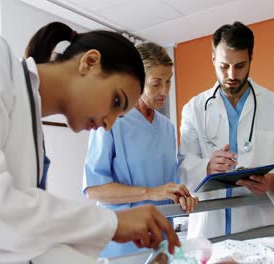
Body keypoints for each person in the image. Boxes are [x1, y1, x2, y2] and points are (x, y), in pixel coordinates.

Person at [0, 22, 180, 264]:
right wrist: (110, 223)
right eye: (116, 101)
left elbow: (27, 237)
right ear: (89, 62)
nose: (109, 124)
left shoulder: (32, 133)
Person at [178, 21, 274, 239]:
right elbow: (183, 165)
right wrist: (207, 166)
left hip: (259, 225)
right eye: (223, 66)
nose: (231, 74)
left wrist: (271, 182)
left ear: (251, 59)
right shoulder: (194, 109)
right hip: (209, 230)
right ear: (213, 59)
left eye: (239, 66)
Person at [83, 42, 199, 258]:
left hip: (161, 240)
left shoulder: (167, 127)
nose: (164, 91)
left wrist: (183, 196)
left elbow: (167, 185)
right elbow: (94, 190)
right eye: (156, 83)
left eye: (168, 81)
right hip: (122, 243)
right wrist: (151, 193)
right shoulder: (110, 120)